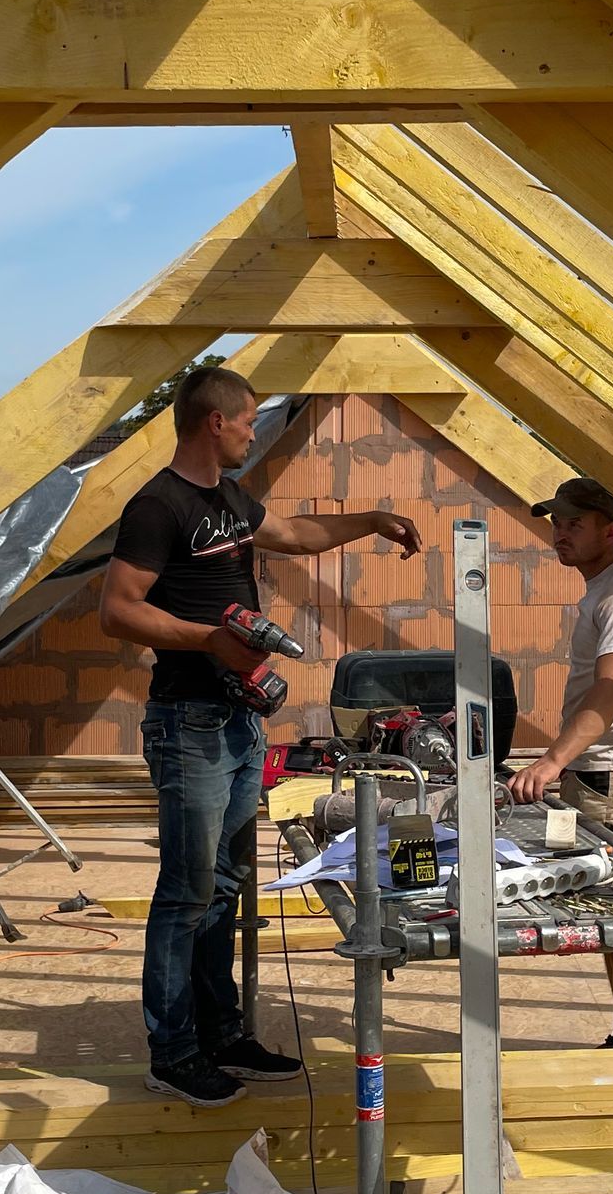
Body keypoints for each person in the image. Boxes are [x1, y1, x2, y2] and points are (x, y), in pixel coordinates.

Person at [99, 364, 420, 1104]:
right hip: (189, 723)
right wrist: (209, 639)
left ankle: (221, 1035)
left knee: (223, 887)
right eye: (246, 421)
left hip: (240, 722)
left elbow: (298, 535)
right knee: (185, 892)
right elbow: (118, 609)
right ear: (215, 421)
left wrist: (371, 520)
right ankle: (172, 1053)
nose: (252, 432)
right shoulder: (158, 506)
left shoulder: (230, 499)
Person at [508, 476, 613, 1048]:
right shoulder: (607, 590)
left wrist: (550, 762)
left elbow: (610, 690)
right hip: (602, 771)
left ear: (610, 530)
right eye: (556, 523)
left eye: (574, 523)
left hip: (612, 777)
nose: (560, 534)